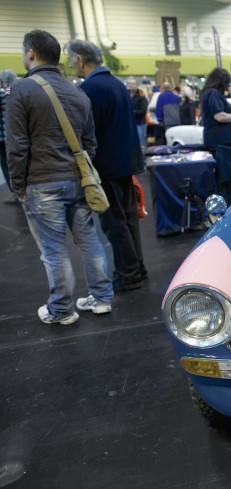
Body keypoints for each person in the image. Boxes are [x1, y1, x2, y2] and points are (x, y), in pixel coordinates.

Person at [5, 30, 113, 324]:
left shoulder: (22, 89)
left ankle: (62, 310)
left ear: (30, 54)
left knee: (54, 250)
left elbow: (17, 146)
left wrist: (18, 186)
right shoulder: (77, 91)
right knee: (89, 240)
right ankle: (102, 298)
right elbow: (90, 143)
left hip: (41, 182)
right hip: (79, 180)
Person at [65, 39, 147, 292]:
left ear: (79, 59)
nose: (70, 65)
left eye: (70, 59)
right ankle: (137, 269)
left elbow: (89, 131)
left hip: (106, 165)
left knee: (115, 223)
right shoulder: (116, 83)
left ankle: (128, 274)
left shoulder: (91, 88)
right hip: (125, 163)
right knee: (129, 219)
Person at [200, 68, 231, 154]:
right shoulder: (213, 93)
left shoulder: (209, 93)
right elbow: (219, 116)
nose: (227, 86)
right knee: (222, 166)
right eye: (227, 83)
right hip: (219, 141)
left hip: (216, 140)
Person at [1, 69, 19, 203]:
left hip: (3, 136)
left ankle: (15, 192)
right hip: (16, 134)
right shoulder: (18, 89)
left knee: (6, 164)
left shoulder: (7, 91)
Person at [127, 78, 148, 149]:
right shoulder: (125, 95)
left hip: (140, 123)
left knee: (141, 144)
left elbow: (143, 111)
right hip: (128, 124)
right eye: (129, 83)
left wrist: (130, 112)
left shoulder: (141, 96)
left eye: (133, 83)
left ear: (137, 85)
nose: (131, 85)